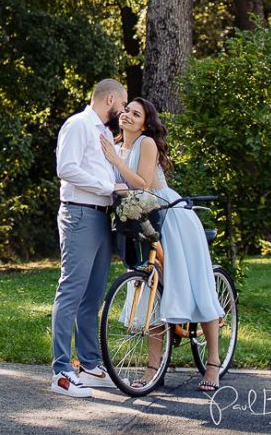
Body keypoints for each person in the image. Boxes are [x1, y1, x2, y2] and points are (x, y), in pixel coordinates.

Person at [99, 97, 226, 393]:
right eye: (126, 111)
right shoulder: (116, 145)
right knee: (151, 292)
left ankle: (214, 363)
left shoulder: (146, 144)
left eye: (136, 113)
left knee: (194, 287)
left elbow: (142, 183)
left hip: (170, 217)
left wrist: (115, 162)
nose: (127, 116)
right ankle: (154, 368)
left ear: (145, 123)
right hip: (142, 220)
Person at [50, 79, 129, 397]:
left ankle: (91, 365)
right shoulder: (78, 124)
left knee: (93, 296)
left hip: (101, 217)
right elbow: (65, 168)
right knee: (71, 291)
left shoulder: (106, 133)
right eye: (122, 104)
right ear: (110, 98)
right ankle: (61, 372)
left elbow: (107, 174)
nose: (122, 111)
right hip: (79, 214)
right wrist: (107, 187)